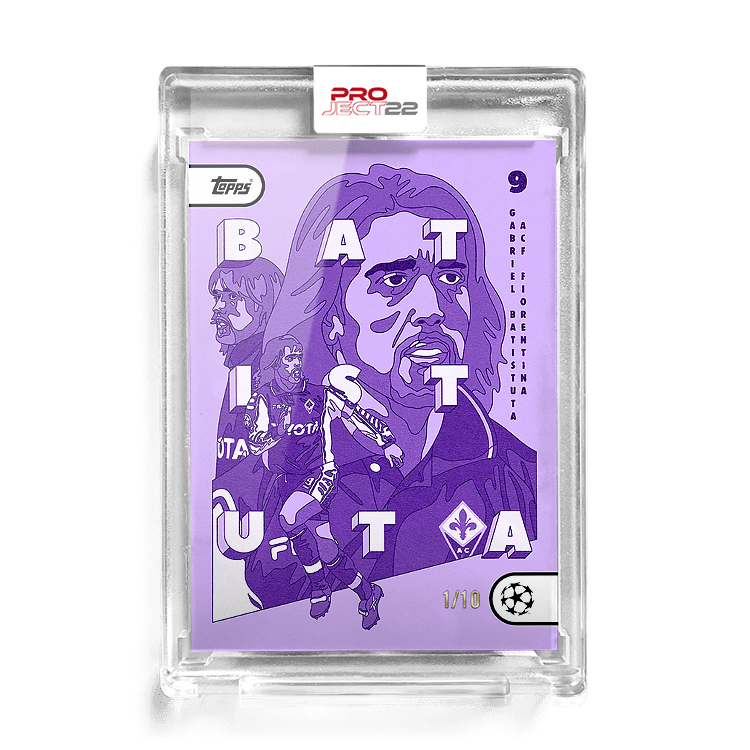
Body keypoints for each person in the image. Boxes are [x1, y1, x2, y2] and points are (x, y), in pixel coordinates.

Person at [261, 165, 537, 585]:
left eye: (450, 278)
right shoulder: (276, 474)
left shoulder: (524, 476)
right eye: (394, 280)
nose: (432, 309)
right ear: (330, 320)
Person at [244, 334, 403, 628]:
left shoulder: (320, 395)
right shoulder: (263, 398)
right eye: (289, 358)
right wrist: (277, 433)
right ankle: (367, 592)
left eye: (298, 357)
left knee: (290, 518)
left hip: (321, 474)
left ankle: (319, 587)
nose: (295, 364)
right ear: (275, 364)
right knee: (327, 548)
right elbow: (254, 443)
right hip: (288, 480)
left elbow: (357, 415)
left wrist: (387, 442)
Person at [208, 258, 283, 476]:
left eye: (233, 297)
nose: (217, 307)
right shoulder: (241, 363)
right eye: (217, 297)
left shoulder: (267, 367)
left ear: (264, 305)